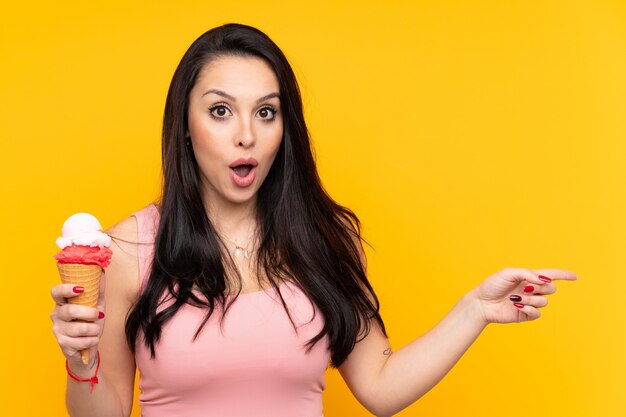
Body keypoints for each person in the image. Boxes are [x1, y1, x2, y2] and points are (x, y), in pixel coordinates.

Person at [50, 23, 577, 417]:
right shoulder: (127, 249)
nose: (246, 136)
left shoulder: (325, 239)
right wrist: (81, 359)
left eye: (266, 112)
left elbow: (380, 386)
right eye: (220, 111)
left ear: (285, 126)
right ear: (185, 125)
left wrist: (475, 310)